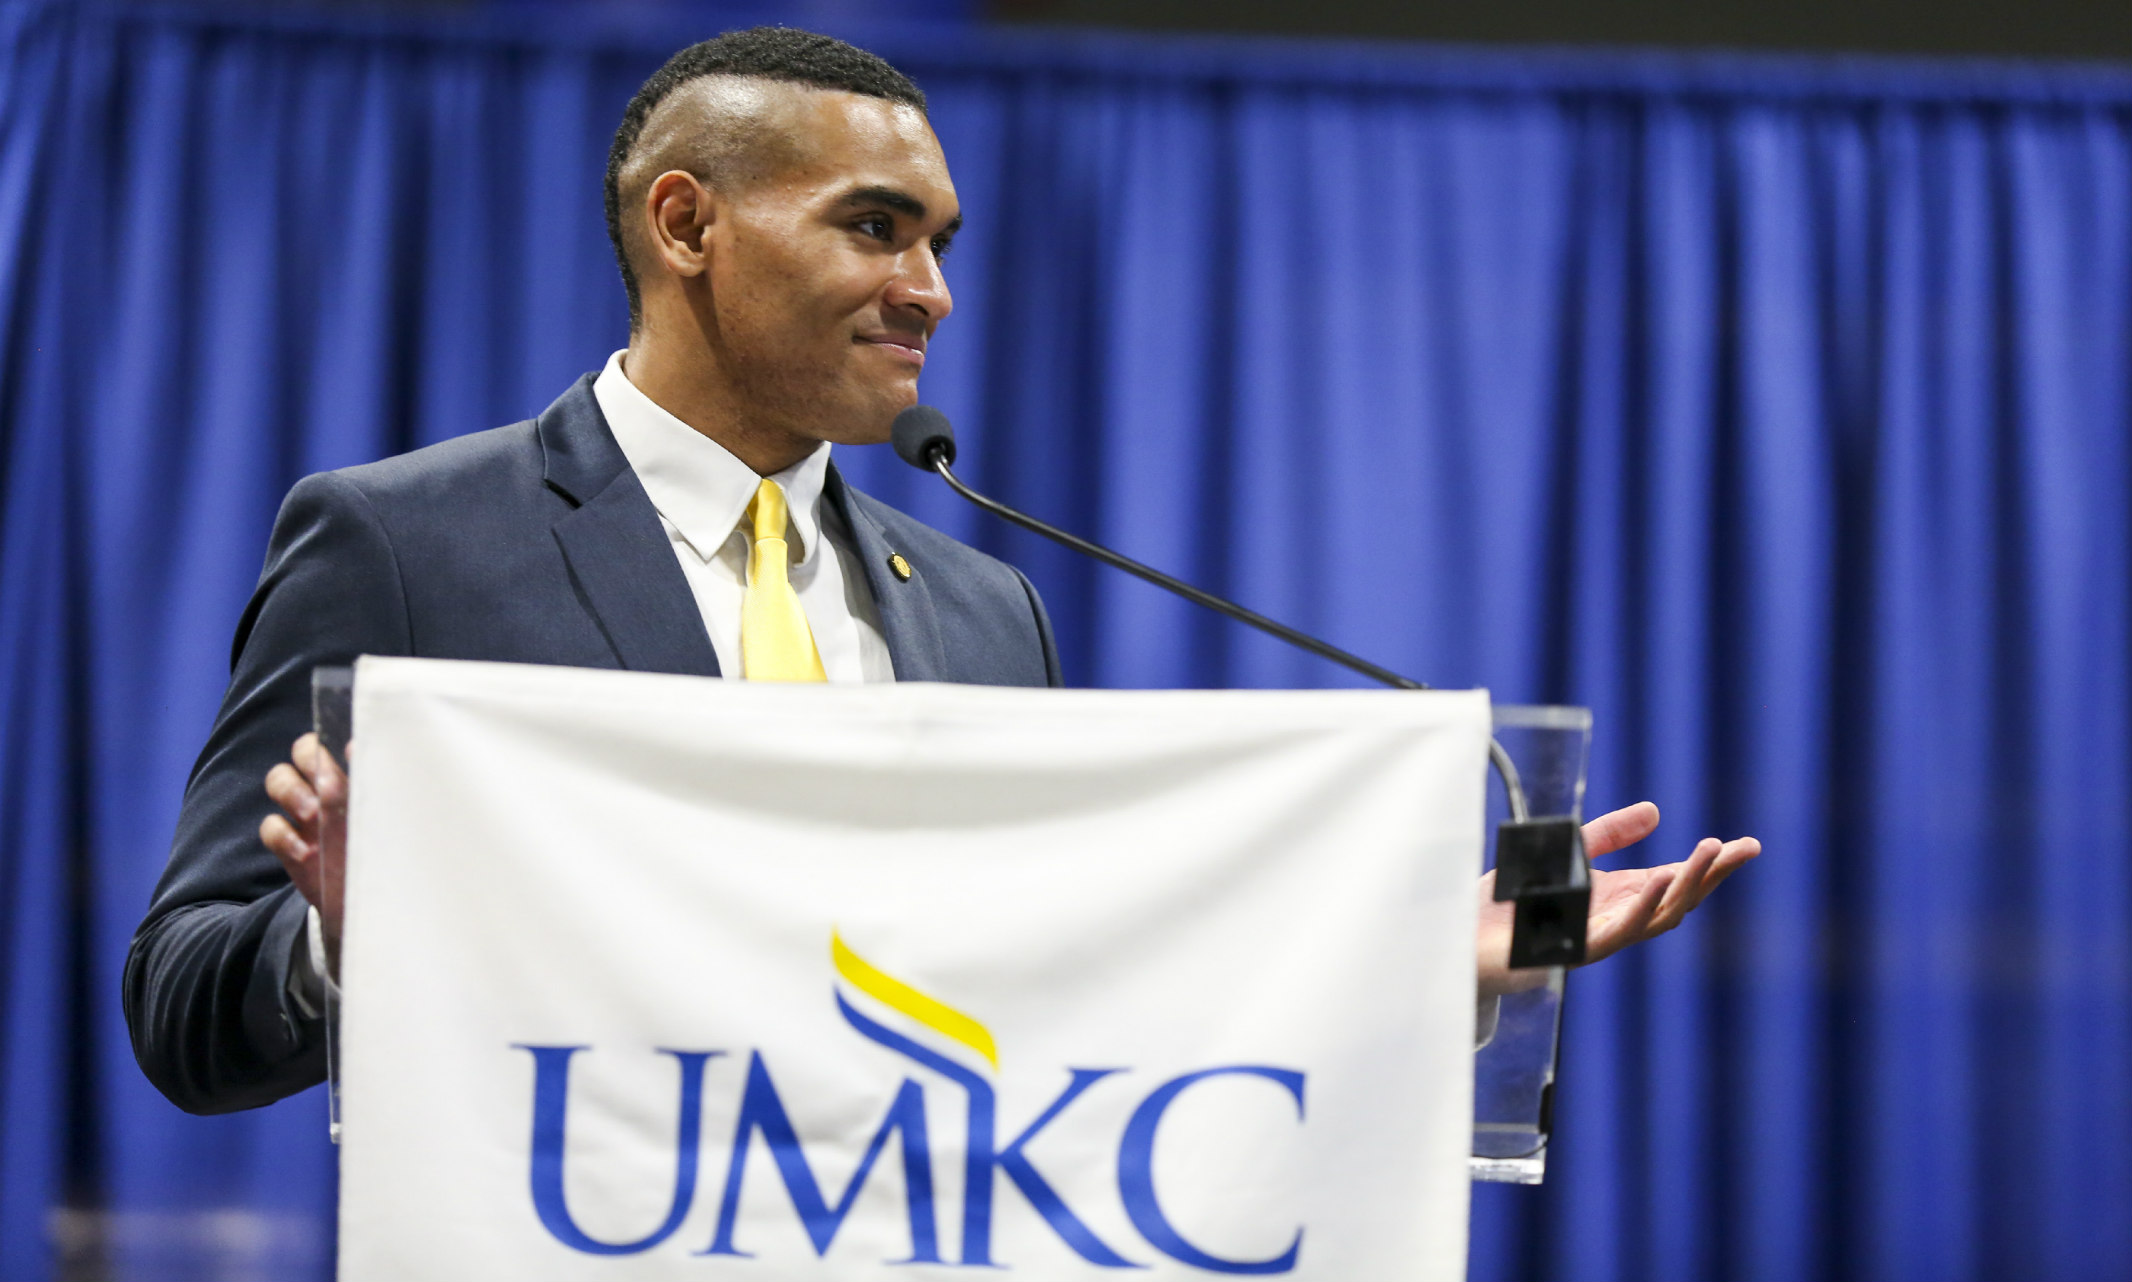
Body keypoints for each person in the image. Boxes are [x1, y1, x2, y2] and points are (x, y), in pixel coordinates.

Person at [123, 28, 1758, 1116]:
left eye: (941, 244)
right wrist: (360, 935)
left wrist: (1416, 961)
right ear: (686, 224)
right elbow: (186, 1003)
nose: (929, 291)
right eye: (875, 227)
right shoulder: (407, 540)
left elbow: (1047, 993)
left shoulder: (984, 609)